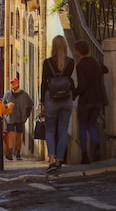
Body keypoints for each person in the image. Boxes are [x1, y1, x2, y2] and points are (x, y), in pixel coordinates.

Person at [40, 35, 75, 173]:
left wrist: (42, 102)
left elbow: (44, 83)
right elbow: (68, 79)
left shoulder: (47, 63)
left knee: (50, 130)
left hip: (52, 99)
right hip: (66, 99)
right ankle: (60, 160)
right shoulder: (71, 62)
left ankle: (52, 159)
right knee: (63, 130)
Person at [73, 39, 105, 164]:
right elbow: (105, 69)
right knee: (91, 125)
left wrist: (73, 94)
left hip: (85, 101)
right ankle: (97, 145)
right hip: (97, 100)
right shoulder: (95, 62)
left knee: (83, 127)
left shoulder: (80, 65)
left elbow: (82, 85)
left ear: (78, 51)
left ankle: (85, 155)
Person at [2, 77, 33, 160]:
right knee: (10, 134)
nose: (13, 85)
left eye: (14, 83)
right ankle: (9, 152)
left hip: (20, 117)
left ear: (18, 83)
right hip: (10, 117)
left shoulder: (24, 95)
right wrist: (7, 106)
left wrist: (27, 115)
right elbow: (2, 105)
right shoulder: (7, 94)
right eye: (12, 83)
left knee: (19, 135)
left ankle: (18, 152)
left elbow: (30, 104)